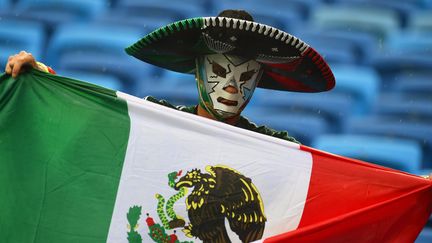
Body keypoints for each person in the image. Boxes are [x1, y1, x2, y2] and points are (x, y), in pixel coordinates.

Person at [5, 9, 336, 144]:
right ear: (197, 72)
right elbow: (91, 119)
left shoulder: (279, 148)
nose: (232, 86)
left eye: (246, 76)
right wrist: (41, 80)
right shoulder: (156, 123)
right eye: (220, 71)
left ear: (259, 81)